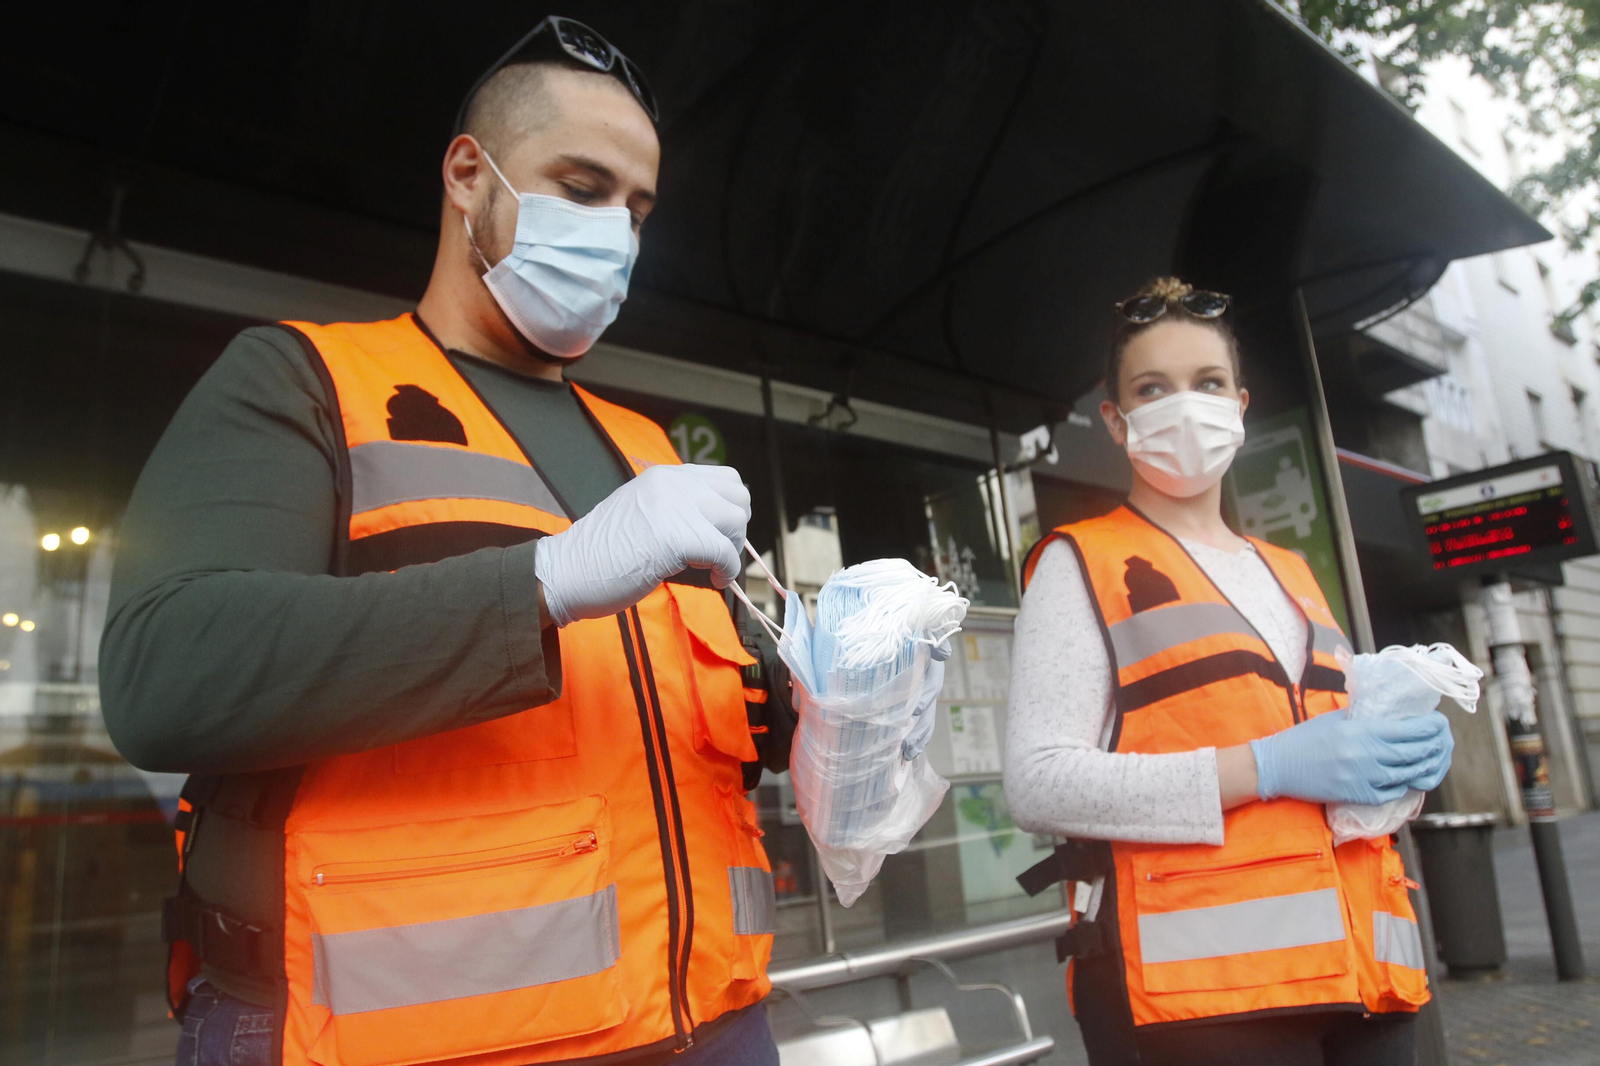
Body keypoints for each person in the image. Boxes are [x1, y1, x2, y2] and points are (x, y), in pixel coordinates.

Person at [100, 17, 798, 1066]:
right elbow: (167, 671)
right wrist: (543, 580)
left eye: (638, 208)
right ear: (470, 176)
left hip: (715, 1022)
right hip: (403, 1038)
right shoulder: (306, 383)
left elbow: (700, 725)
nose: (616, 231)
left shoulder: (648, 450)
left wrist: (822, 709)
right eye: (581, 185)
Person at [1003, 277, 1454, 1066]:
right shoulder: (1082, 563)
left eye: (1207, 384)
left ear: (1239, 406)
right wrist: (1267, 767)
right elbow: (1039, 784)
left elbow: (1338, 760)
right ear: (1116, 420)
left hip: (1367, 976)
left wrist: (1402, 763)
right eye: (1153, 388)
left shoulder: (1292, 571)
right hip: (1202, 1000)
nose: (1185, 405)